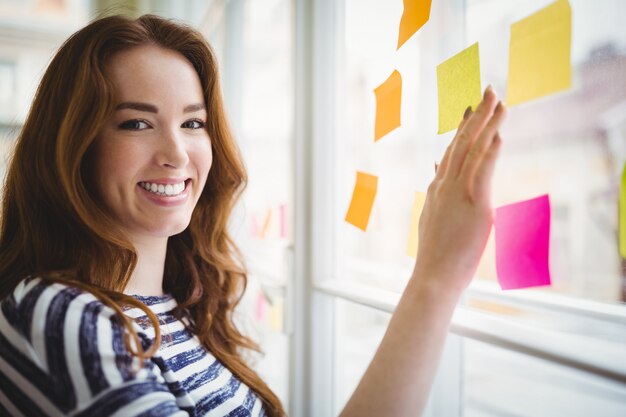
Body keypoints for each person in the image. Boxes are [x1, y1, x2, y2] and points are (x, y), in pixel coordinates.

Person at [0, 13, 506, 417]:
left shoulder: (175, 306)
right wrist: (435, 278)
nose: (176, 152)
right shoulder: (64, 315)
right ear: (73, 147)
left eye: (193, 122)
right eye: (136, 123)